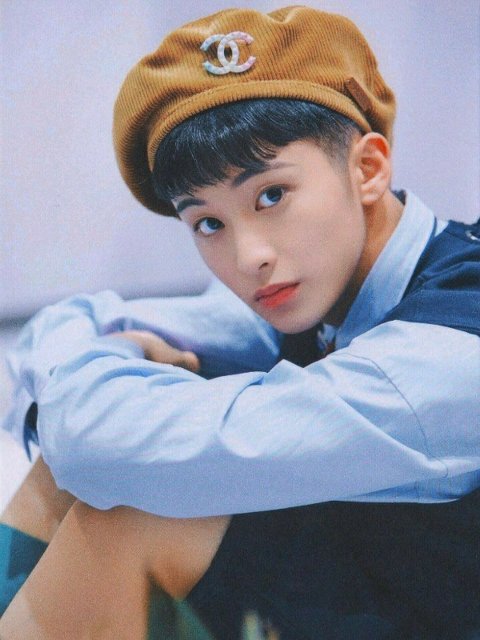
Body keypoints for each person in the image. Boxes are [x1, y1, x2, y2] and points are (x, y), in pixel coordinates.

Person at [1, 5, 479, 639]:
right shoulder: (314, 282)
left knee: (135, 505)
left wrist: (83, 393)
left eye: (271, 196)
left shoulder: (454, 342)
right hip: (390, 586)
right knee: (93, 478)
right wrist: (116, 355)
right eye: (209, 223)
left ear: (367, 169)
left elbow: (94, 443)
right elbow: (70, 324)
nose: (249, 256)